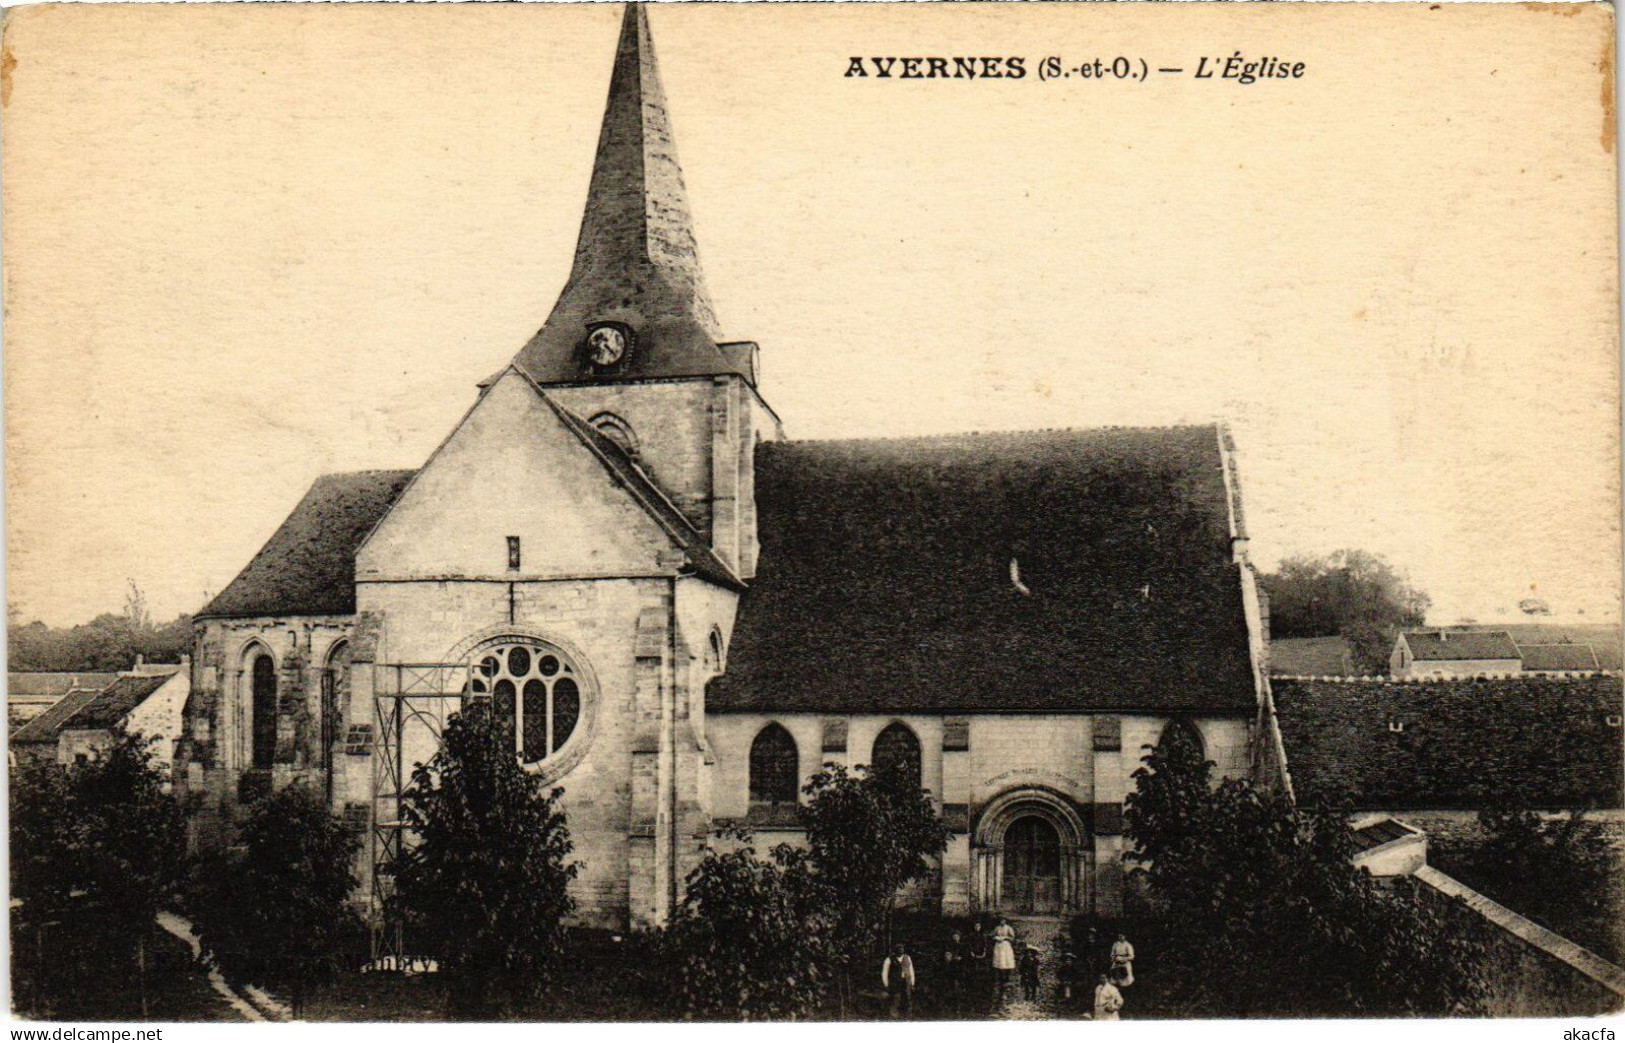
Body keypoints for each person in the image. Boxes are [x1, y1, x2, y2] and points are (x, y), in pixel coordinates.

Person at [882, 942, 915, 1020]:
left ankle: (907, 1017)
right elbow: (884, 973)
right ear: (895, 950)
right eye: (899, 949)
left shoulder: (907, 958)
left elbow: (911, 971)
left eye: (902, 949)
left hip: (906, 982)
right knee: (895, 999)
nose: (901, 950)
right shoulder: (889, 959)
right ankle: (894, 1017)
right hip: (895, 983)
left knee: (907, 999)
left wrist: (912, 983)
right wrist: (886, 985)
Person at [991, 918, 1017, 999]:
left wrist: (1005, 937)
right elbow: (992, 935)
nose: (1002, 922)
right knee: (999, 958)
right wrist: (996, 937)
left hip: (1005, 945)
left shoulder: (1008, 928)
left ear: (1005, 921)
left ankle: (1006, 968)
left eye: (1003, 921)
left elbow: (1012, 938)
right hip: (998, 946)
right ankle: (999, 968)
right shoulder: (997, 928)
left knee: (1005, 958)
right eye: (1000, 921)